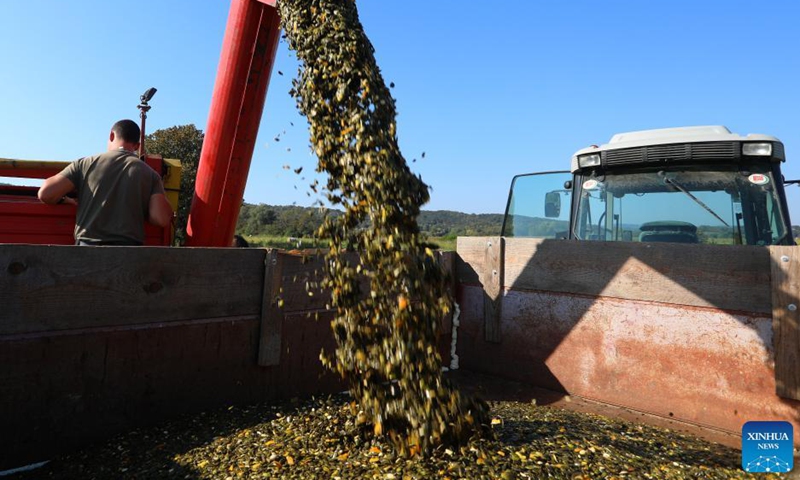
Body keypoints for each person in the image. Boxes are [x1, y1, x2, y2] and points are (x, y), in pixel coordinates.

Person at [38, 119, 173, 245]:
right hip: (129, 252)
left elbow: (46, 193)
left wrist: (66, 200)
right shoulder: (150, 175)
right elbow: (160, 218)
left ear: (111, 136)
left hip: (87, 249)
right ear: (137, 146)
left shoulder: (85, 164)